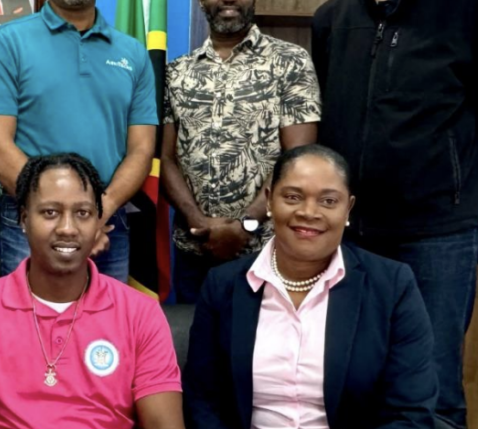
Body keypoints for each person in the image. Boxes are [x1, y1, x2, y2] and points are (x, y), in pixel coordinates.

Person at [310, 0, 478, 428]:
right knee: (354, 375)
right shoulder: (333, 17)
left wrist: (465, 197)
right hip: (356, 235)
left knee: (432, 384)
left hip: (439, 235)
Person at [183, 144, 438, 428]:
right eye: (293, 197)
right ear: (269, 201)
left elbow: (410, 411)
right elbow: (203, 401)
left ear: (348, 208)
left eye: (328, 201)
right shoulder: (223, 285)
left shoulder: (392, 286)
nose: (308, 212)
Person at [0, 153, 184, 429]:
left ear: (98, 222)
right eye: (50, 212)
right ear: (24, 219)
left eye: (83, 213)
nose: (67, 228)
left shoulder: (140, 313)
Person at [0, 0, 157, 282]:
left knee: (106, 320)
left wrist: (96, 213)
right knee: (29, 319)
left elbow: (141, 150)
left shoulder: (133, 54)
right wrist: (63, 216)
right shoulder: (5, 44)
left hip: (109, 222)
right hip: (29, 223)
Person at [161, 0, 321, 303]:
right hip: (194, 250)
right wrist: (198, 222)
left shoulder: (290, 62)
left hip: (268, 248)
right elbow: (165, 158)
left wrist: (246, 225)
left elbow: (298, 157)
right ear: (202, 0)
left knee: (262, 338)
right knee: (195, 336)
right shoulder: (176, 73)